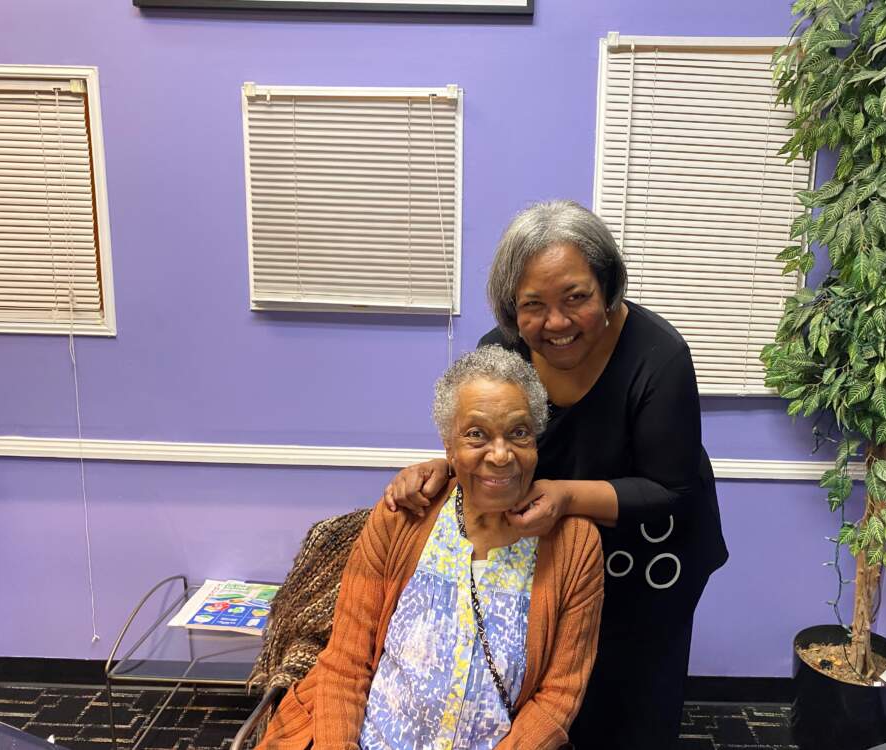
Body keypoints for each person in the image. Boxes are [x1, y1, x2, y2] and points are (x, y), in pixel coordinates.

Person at [383, 200, 729, 749]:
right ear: (510, 309)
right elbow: (492, 439)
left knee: (631, 704)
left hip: (651, 555)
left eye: (577, 297)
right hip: (562, 558)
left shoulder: (658, 357)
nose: (558, 323)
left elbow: (674, 491)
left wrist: (565, 496)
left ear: (607, 285)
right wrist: (442, 467)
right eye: (533, 305)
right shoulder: (503, 352)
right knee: (554, 697)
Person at [257, 346, 604, 750]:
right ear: (448, 446)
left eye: (519, 432)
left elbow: (558, 698)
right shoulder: (401, 517)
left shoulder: (575, 546)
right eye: (476, 434)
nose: (500, 454)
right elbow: (345, 664)